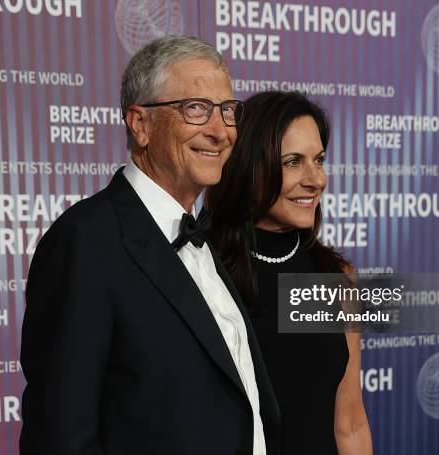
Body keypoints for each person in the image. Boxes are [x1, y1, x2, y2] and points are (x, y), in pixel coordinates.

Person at [19, 36, 279, 455]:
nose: (220, 131)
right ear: (140, 124)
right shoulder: (84, 243)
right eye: (196, 109)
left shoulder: (202, 235)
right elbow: (60, 437)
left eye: (228, 110)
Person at [206, 91, 372, 454]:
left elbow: (351, 423)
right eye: (293, 161)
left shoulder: (336, 278)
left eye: (319, 160)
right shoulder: (203, 271)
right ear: (249, 165)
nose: (316, 180)